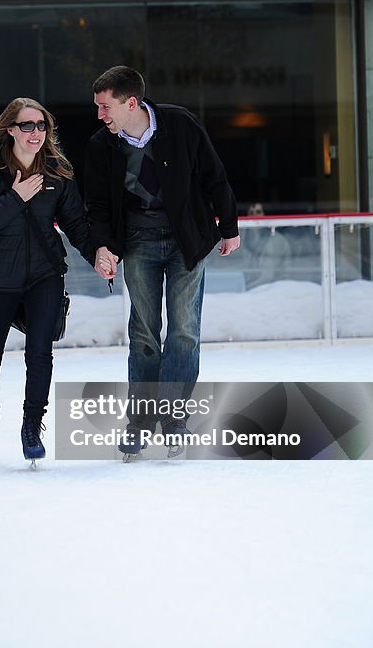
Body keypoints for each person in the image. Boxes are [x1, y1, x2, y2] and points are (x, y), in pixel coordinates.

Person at [85, 65, 240, 458]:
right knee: (144, 333)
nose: (100, 115)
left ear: (131, 103)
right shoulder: (102, 146)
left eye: (106, 107)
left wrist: (229, 226)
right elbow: (98, 207)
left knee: (184, 330)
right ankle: (139, 421)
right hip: (138, 242)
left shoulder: (180, 124)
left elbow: (214, 175)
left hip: (187, 239)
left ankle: (174, 419)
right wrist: (104, 246)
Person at [0, 98, 98, 467]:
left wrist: (98, 253)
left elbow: (76, 224)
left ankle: (32, 426)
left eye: (42, 125)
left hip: (44, 278)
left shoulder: (57, 172)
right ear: (11, 130)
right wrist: (15, 197)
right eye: (28, 125)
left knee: (39, 356)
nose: (36, 133)